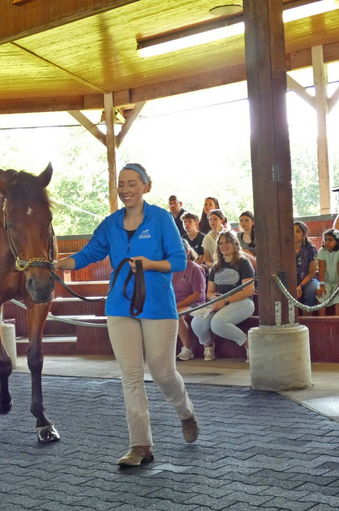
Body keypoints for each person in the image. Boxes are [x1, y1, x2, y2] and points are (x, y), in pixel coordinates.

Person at [56, 163, 198, 467]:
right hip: (120, 306)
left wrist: (148, 263)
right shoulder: (110, 224)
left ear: (146, 186)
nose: (125, 189)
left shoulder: (161, 219)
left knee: (162, 372)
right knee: (130, 375)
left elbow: (179, 261)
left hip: (158, 305)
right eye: (121, 184)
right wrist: (56, 264)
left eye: (132, 183)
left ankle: (185, 412)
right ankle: (140, 444)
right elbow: (87, 255)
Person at [191, 230, 255, 362]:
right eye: (220, 243)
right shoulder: (216, 266)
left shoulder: (243, 262)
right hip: (220, 302)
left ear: (234, 244)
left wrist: (224, 301)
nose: (224, 245)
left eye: (227, 242)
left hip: (243, 301)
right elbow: (209, 292)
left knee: (218, 323)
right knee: (197, 322)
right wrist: (214, 299)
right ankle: (208, 345)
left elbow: (247, 290)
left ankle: (250, 345)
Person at [173, 240, 206, 361]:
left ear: (186, 252)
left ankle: (187, 348)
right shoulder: (169, 269)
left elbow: (198, 294)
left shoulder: (195, 269)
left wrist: (177, 306)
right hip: (174, 303)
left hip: (194, 304)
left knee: (177, 315)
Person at [317, 229, 339, 316]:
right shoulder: (322, 251)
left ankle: (337, 318)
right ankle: (322, 319)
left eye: (330, 240)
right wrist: (322, 285)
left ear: (337, 241)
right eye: (325, 239)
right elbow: (321, 269)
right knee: (321, 294)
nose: (327, 242)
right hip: (326, 280)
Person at [294, 221, 319, 313]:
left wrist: (300, 285)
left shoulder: (311, 249)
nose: (294, 234)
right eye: (292, 231)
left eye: (298, 231)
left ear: (303, 234)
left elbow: (312, 272)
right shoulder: (285, 249)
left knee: (312, 289)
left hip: (308, 280)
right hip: (290, 281)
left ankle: (307, 317)